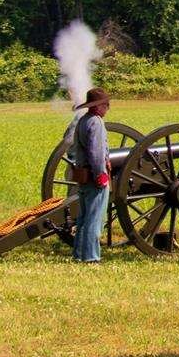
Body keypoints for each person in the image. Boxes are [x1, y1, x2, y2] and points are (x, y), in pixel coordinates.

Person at [70, 87, 111, 263]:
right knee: (95, 219)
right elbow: (96, 152)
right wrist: (100, 175)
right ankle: (92, 257)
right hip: (94, 176)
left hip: (83, 175)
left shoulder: (83, 121)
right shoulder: (96, 122)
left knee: (83, 219)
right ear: (99, 106)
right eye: (106, 105)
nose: (108, 108)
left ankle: (79, 254)